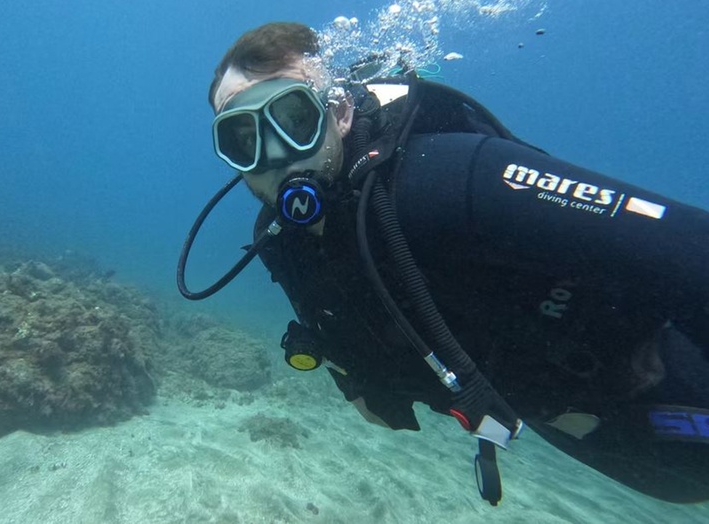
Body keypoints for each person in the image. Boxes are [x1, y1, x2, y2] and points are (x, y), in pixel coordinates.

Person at [179, 22, 709, 505]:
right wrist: (362, 383)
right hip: (594, 440)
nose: (274, 154)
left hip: (670, 389)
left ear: (339, 113)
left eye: (293, 118)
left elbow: (692, 248)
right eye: (242, 139)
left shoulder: (454, 177)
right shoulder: (282, 240)